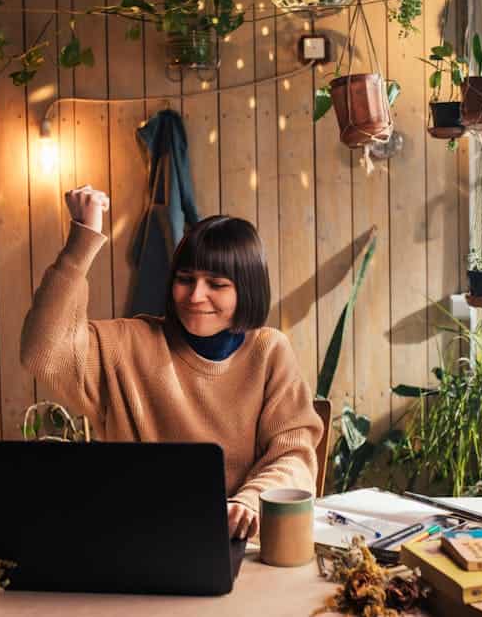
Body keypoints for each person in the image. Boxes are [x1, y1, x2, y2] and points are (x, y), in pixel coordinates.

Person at [20, 185, 323, 539]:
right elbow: (42, 351)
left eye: (216, 284)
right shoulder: (128, 343)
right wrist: (82, 240)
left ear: (247, 290)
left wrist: (249, 502)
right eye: (185, 280)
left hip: (237, 539)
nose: (196, 296)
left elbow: (295, 455)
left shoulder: (269, 351)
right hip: (138, 536)